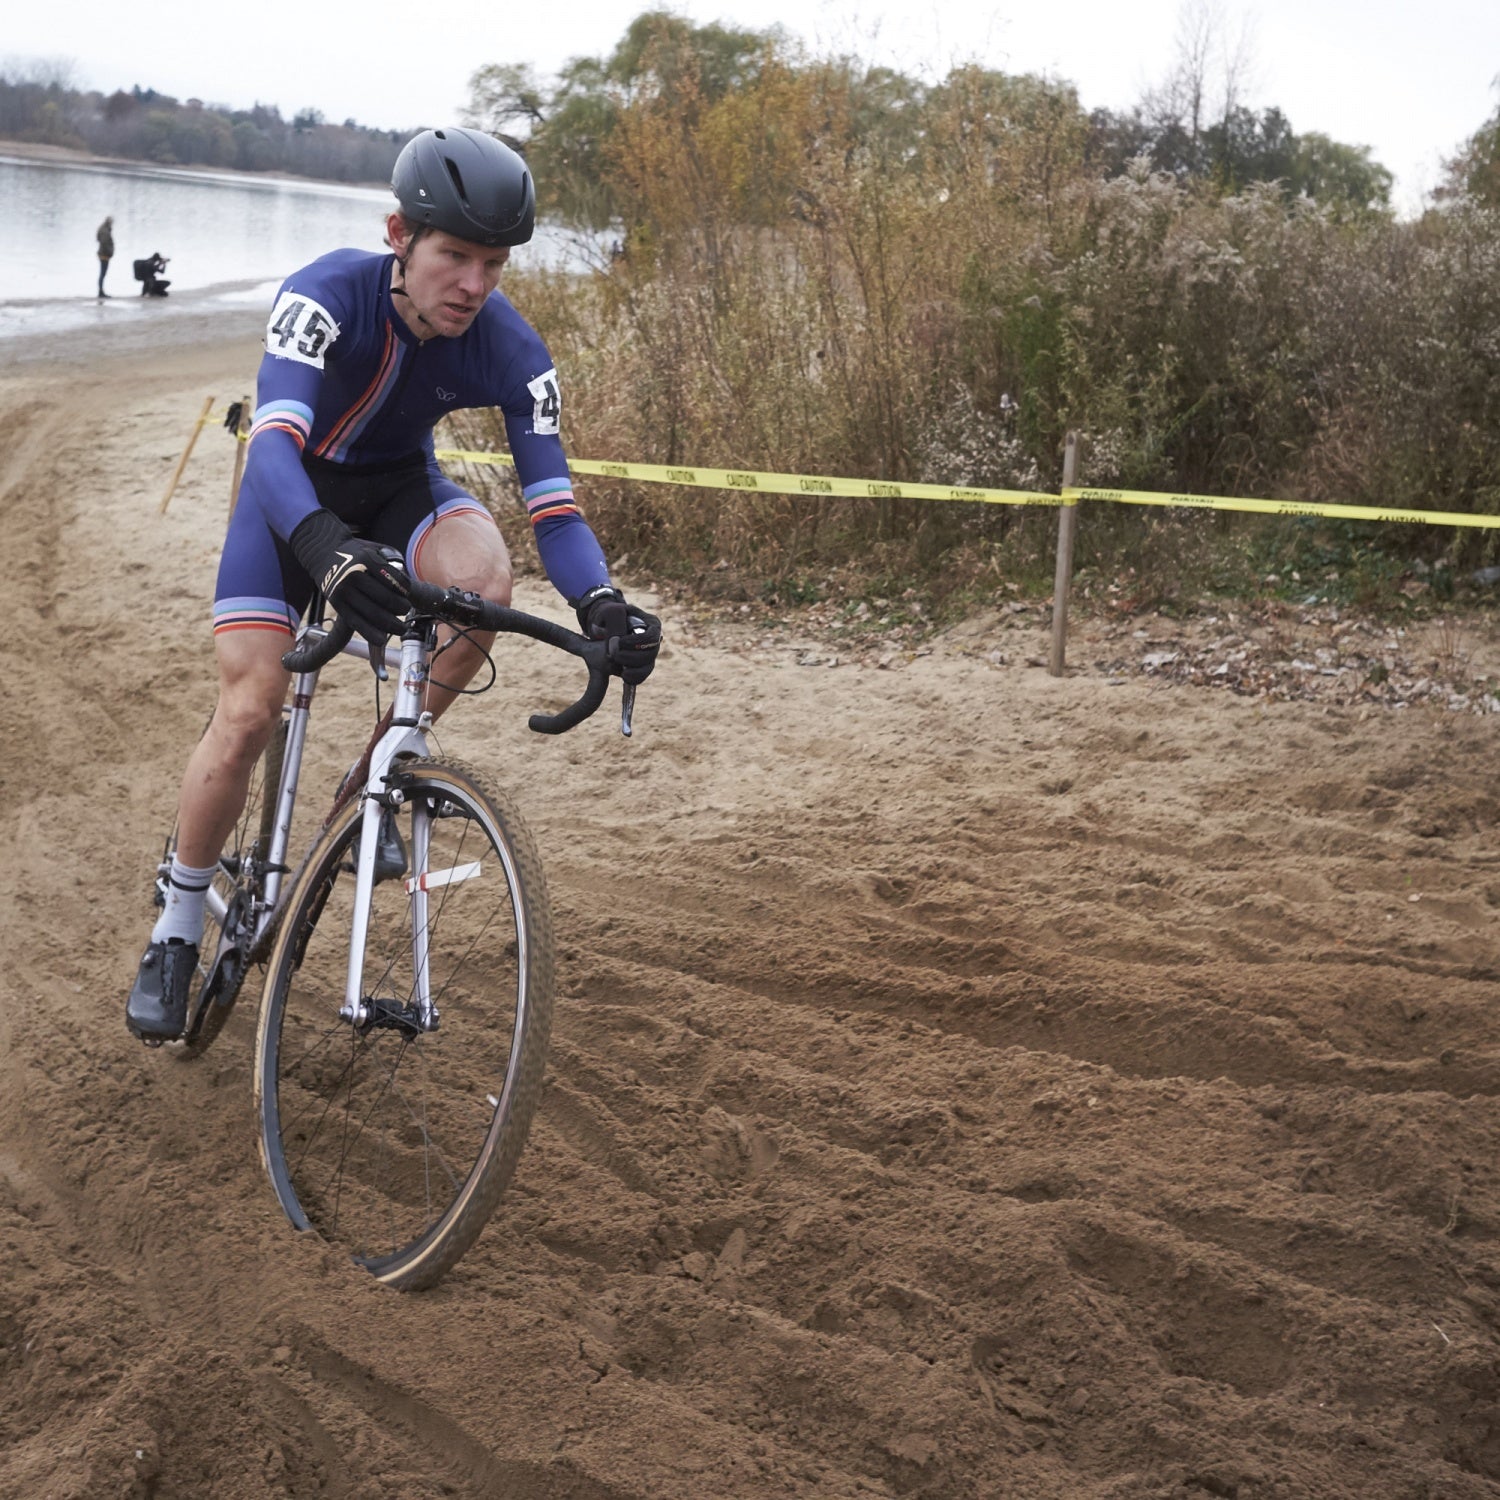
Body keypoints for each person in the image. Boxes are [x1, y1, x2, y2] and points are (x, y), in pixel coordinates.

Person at [124, 127, 660, 1042]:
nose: (473, 285)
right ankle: (177, 918)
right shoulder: (323, 295)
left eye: (493, 263)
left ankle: (371, 782)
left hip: (399, 493)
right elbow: (274, 447)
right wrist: (326, 549)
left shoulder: (513, 348)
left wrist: (599, 601)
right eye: (454, 256)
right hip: (287, 501)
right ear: (398, 237)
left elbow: (555, 511)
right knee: (252, 705)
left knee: (485, 578)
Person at [96, 216, 114, 298]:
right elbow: (104, 243)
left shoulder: (103, 229)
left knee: (102, 274)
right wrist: (110, 252)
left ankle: (101, 291)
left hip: (103, 254)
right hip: (104, 255)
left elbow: (99, 239)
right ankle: (101, 292)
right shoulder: (105, 231)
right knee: (102, 274)